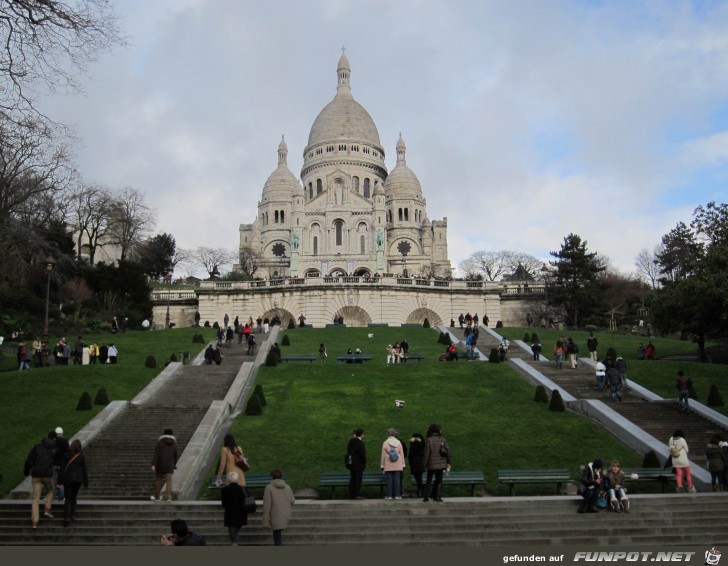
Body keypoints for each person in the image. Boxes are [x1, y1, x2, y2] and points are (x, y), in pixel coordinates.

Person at [23, 430, 57, 528]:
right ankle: (47, 508)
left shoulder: (37, 447)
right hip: (47, 474)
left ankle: (35, 521)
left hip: (36, 474)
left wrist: (26, 473)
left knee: (35, 499)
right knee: (50, 490)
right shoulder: (53, 449)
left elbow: (29, 461)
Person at [263, 469, 296, 546]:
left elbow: (267, 505)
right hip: (285, 513)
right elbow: (292, 501)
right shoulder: (287, 487)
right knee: (278, 533)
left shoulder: (269, 488)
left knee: (277, 535)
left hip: (275, 514)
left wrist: (265, 522)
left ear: (272, 477)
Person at [60, 439, 89, 526]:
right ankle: (72, 514)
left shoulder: (66, 455)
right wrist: (86, 481)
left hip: (68, 479)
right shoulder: (81, 456)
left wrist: (59, 480)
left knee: (67, 498)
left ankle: (66, 517)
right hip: (78, 479)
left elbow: (62, 469)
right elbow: (84, 470)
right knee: (74, 497)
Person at [422, 423, 449, 503]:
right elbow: (447, 451)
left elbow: (426, 454)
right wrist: (449, 462)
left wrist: (424, 464)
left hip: (431, 463)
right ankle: (437, 496)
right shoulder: (443, 439)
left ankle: (426, 497)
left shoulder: (429, 440)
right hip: (441, 463)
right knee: (439, 480)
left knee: (429, 480)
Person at [151, 428, 178, 502]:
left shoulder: (159, 443)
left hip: (160, 464)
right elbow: (175, 456)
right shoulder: (174, 444)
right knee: (169, 481)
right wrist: (174, 464)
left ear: (164, 434)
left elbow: (156, 454)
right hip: (169, 465)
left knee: (158, 480)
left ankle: (157, 497)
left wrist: (154, 464)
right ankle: (168, 497)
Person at [220, 471, 247, 545]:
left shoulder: (224, 490)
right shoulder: (242, 489)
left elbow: (223, 504)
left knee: (232, 533)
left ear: (228, 479)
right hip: (241, 514)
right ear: (236, 479)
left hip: (230, 514)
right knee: (235, 531)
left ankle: (234, 544)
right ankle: (235, 543)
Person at [380, 428, 405, 500]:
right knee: (397, 480)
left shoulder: (385, 442)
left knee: (389, 480)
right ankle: (397, 495)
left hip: (388, 462)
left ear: (388, 434)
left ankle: (389, 495)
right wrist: (403, 464)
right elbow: (402, 453)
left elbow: (383, 455)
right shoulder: (399, 442)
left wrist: (382, 465)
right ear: (394, 434)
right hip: (398, 462)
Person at [669, 429, 696, 493]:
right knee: (687, 473)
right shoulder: (682, 440)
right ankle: (690, 487)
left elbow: (670, 448)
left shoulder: (671, 439)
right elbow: (687, 450)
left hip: (675, 459)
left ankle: (680, 487)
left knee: (679, 474)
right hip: (683, 459)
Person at [347, 428, 366, 499]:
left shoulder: (351, 441)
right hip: (359, 464)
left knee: (352, 478)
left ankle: (351, 494)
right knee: (358, 480)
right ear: (361, 434)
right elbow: (362, 455)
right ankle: (356, 494)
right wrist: (364, 463)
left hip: (351, 463)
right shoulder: (361, 443)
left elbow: (348, 451)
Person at [52, 426, 70, 503]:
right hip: (62, 464)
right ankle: (61, 496)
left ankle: (51, 496)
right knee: (61, 481)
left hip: (53, 463)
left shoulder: (53, 442)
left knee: (53, 481)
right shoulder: (65, 442)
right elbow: (67, 452)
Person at [408, 433, 426, 498]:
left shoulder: (413, 444)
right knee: (419, 478)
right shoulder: (421, 445)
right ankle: (420, 490)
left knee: (418, 478)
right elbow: (424, 445)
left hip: (414, 463)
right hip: (420, 463)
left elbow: (410, 454)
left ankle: (420, 490)